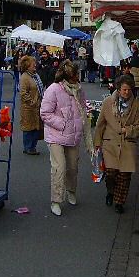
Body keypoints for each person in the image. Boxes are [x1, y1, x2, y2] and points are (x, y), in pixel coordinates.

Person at [40, 60, 87, 217]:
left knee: (73, 167)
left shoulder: (79, 90)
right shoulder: (53, 89)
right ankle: (56, 200)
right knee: (59, 167)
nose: (78, 78)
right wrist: (62, 123)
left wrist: (82, 123)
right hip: (56, 135)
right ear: (69, 76)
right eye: (76, 75)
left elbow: (83, 109)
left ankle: (71, 191)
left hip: (73, 135)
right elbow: (45, 113)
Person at [94, 74, 139, 213]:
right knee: (111, 173)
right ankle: (110, 192)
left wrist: (127, 130)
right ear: (119, 89)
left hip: (127, 144)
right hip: (110, 143)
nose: (126, 92)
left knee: (125, 175)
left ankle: (119, 202)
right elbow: (100, 124)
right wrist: (97, 143)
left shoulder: (137, 106)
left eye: (129, 90)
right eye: (124, 89)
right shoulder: (108, 102)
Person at [18, 55, 44, 155]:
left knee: (36, 127)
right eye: (33, 64)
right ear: (28, 66)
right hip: (28, 107)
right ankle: (28, 147)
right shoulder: (25, 77)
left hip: (37, 105)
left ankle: (32, 146)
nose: (35, 65)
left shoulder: (35, 75)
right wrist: (32, 102)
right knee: (28, 127)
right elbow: (23, 93)